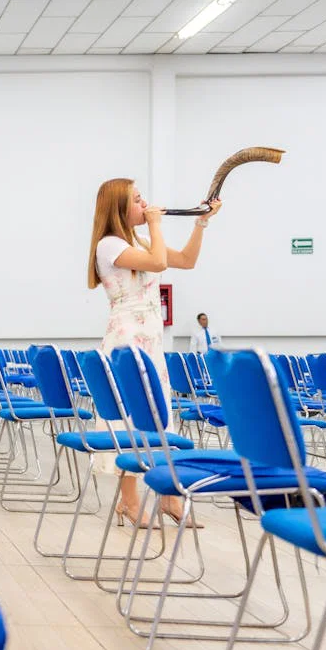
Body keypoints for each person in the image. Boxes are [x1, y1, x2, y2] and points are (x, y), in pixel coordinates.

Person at [87, 178, 220, 528]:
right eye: (137, 199)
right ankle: (129, 502)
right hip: (127, 337)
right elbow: (159, 264)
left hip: (149, 336)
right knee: (131, 420)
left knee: (159, 417)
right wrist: (158, 224)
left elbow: (185, 261)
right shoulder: (109, 245)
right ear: (119, 208)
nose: (145, 203)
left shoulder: (140, 241)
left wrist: (201, 222)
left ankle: (170, 498)